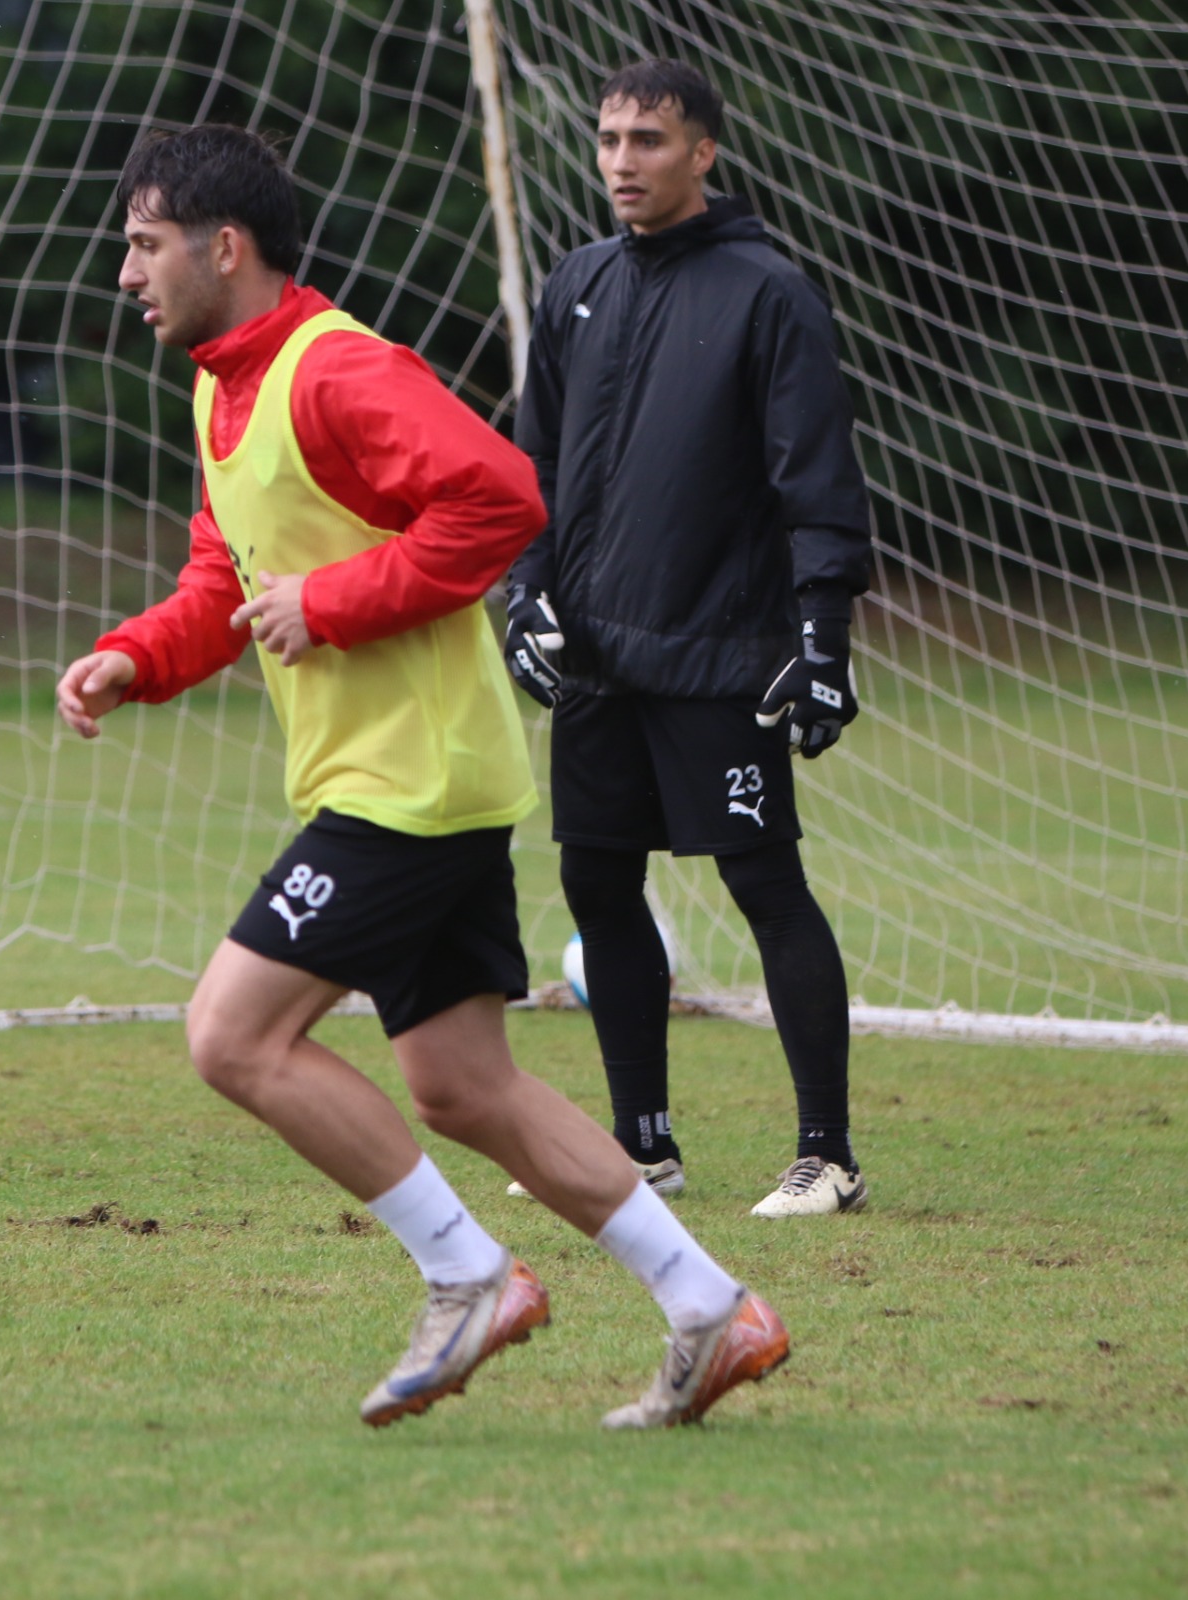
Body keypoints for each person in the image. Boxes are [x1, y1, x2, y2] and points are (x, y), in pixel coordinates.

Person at [56, 123, 786, 1430]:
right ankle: (709, 1304)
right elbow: (224, 583)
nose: (128, 272)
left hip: (408, 787)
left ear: (225, 248)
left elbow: (503, 496)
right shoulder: (227, 387)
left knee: (232, 1032)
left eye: (145, 243)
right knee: (462, 1085)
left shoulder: (336, 370)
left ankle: (466, 1274)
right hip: (411, 784)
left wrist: (332, 603)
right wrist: (134, 657)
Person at [501, 59, 875, 1219]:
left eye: (648, 141)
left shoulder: (770, 294)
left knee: (767, 885)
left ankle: (828, 1155)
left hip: (722, 654)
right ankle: (639, 1145)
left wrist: (821, 638)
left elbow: (816, 483)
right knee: (596, 883)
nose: (621, 162)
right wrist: (523, 595)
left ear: (702, 151)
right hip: (600, 663)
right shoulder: (575, 285)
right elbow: (533, 475)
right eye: (609, 139)